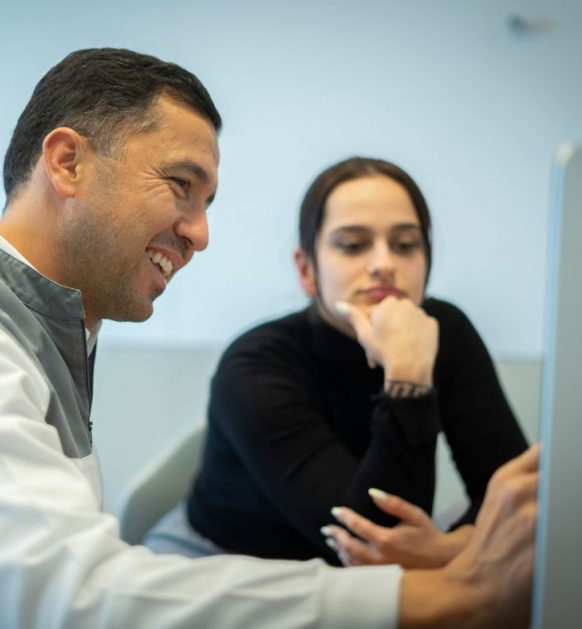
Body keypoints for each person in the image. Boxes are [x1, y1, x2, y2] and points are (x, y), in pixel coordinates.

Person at [0, 48, 536, 628]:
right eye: (180, 185)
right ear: (68, 162)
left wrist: (448, 557)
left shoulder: (46, 325)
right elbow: (75, 599)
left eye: (207, 203)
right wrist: (448, 592)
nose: (200, 234)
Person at [146, 157, 528, 569]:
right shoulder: (254, 364)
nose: (384, 264)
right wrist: (407, 375)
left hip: (376, 563)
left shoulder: (445, 331)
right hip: (226, 560)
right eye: (352, 244)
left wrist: (449, 549)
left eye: (405, 245)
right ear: (307, 269)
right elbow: (369, 541)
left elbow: (519, 499)